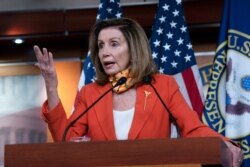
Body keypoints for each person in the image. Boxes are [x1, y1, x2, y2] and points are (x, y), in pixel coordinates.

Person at [34, 17, 243, 166]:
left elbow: (193, 129)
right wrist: (51, 88)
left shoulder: (162, 85)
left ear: (134, 49)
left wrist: (223, 143)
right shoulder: (90, 93)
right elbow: (66, 141)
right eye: (100, 46)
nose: (104, 52)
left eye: (113, 44)